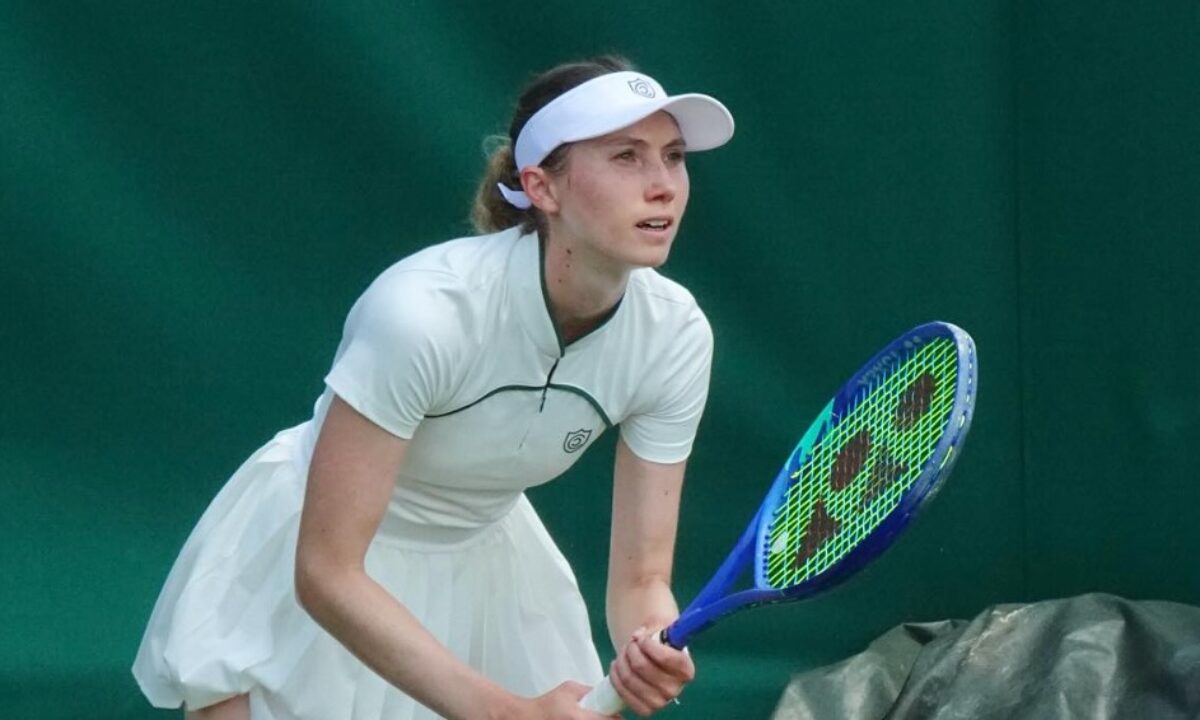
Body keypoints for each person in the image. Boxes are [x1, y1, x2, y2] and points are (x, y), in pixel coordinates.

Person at [132, 54, 735, 720]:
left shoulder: (675, 336)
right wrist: (512, 712)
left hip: (490, 566)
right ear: (543, 188)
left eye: (674, 157)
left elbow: (642, 580)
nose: (664, 186)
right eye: (627, 157)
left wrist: (648, 642)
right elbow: (327, 574)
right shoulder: (423, 314)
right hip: (319, 557)